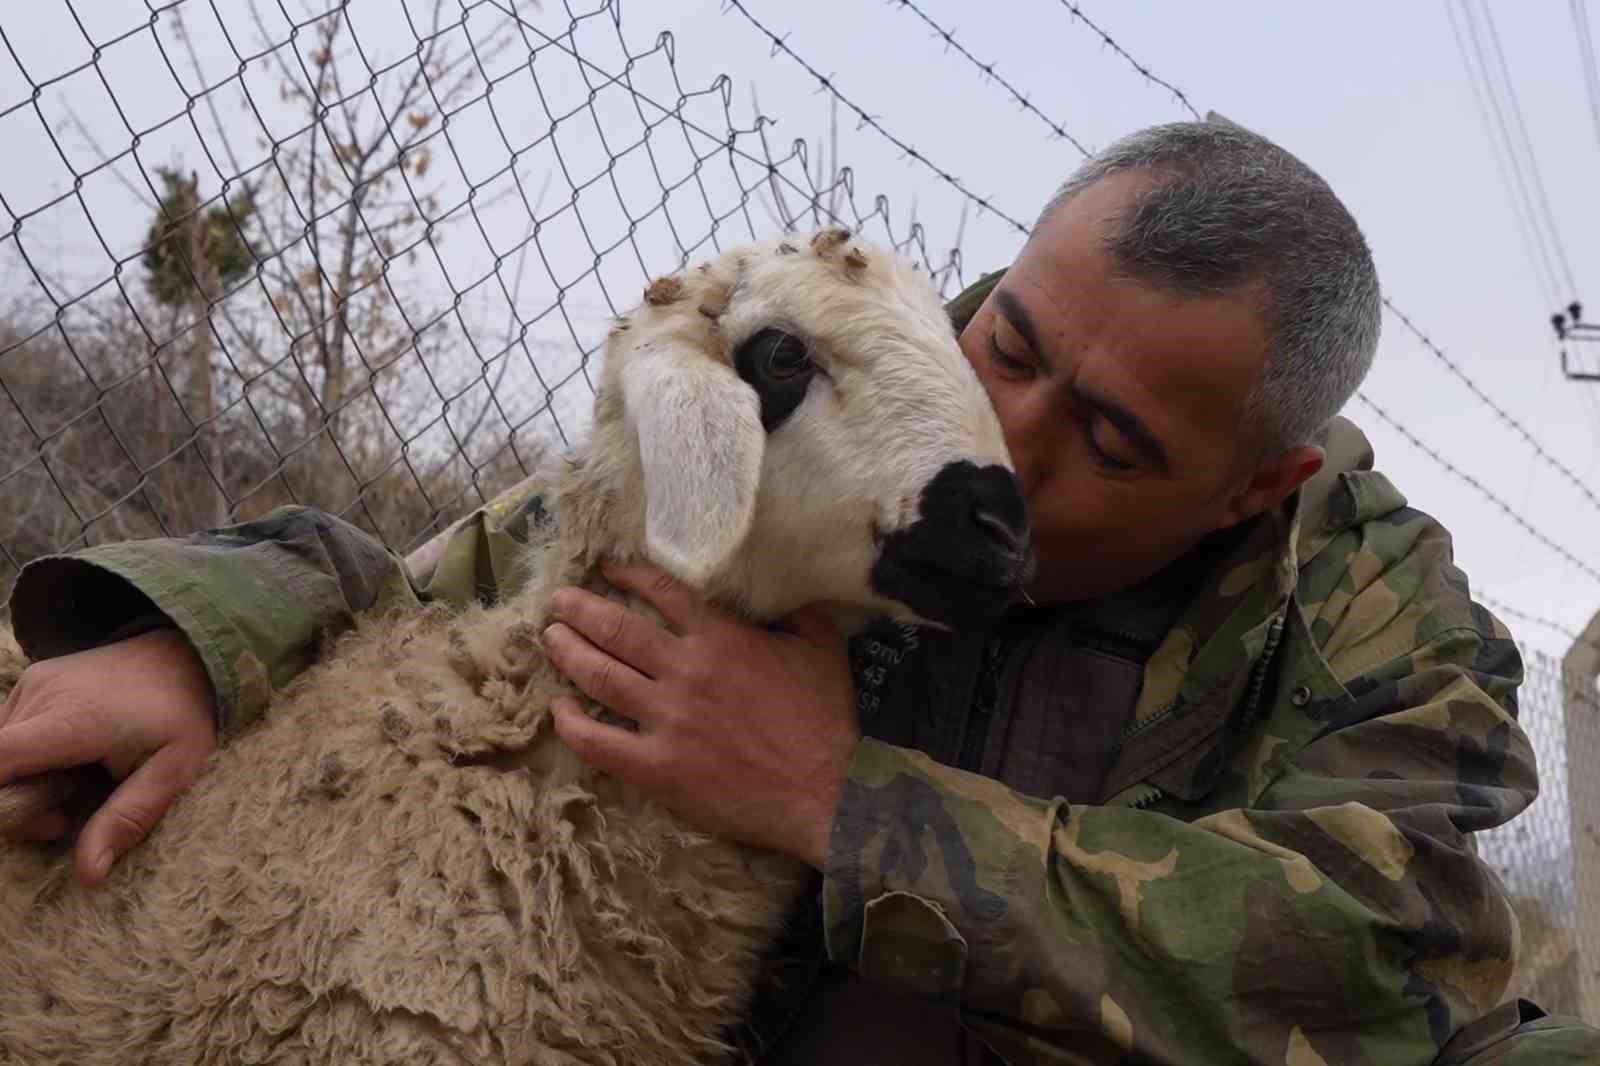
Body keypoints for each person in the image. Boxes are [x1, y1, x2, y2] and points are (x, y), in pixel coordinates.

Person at [3, 120, 1596, 1064]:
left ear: (1260, 485)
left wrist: (847, 805)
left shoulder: (1370, 611)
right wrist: (196, 638)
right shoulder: (842, 411)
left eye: (1110, 440)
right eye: (1013, 346)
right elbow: (484, 568)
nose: (1017, 446)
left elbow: (1379, 948)